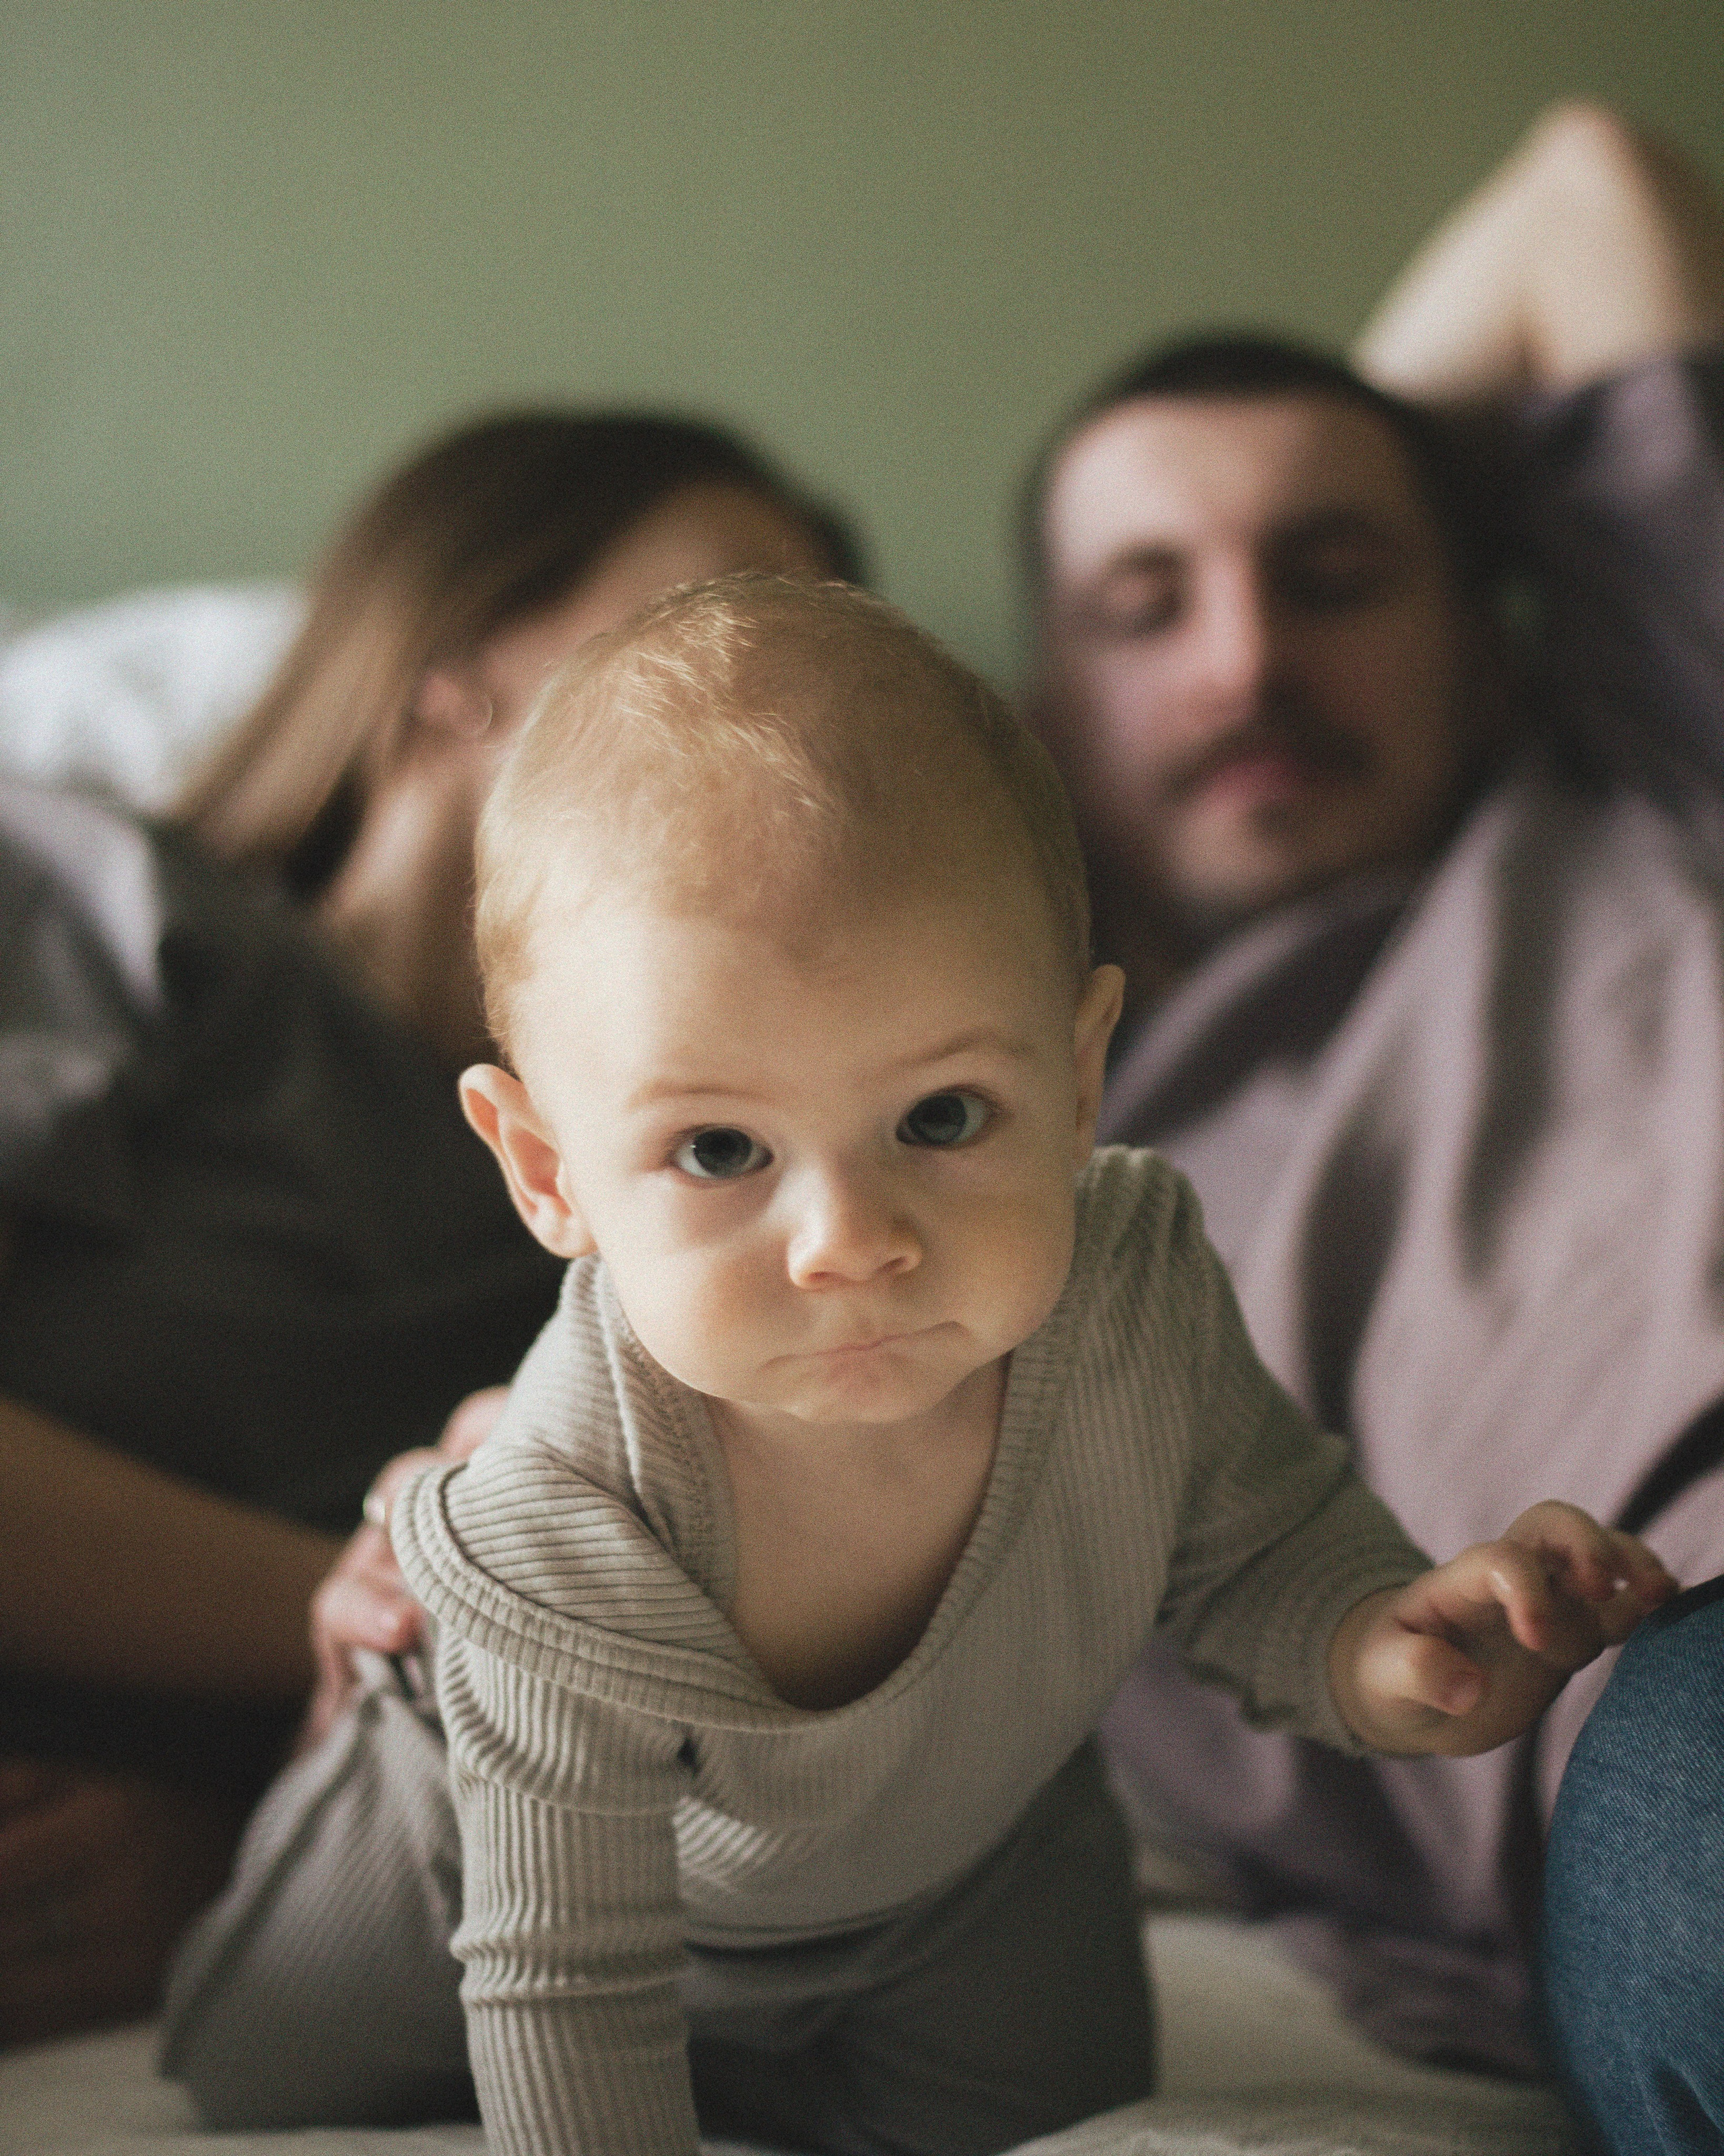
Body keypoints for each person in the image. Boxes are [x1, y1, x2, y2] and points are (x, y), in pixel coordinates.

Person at [168, 575, 1673, 2151]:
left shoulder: (1128, 1292)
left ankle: (782, 2068)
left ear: (1077, 1076)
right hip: (472, 1875)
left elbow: (1261, 1552)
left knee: (1063, 2099)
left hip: (956, 1885)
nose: (849, 1240)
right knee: (253, 2078)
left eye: (940, 1117)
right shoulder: (553, 1522)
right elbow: (567, 1974)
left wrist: (1392, 1650)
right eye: (720, 1147)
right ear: (547, 1171)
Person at [0, 412, 856, 2046]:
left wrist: (258, 1847)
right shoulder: (102, 903)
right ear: (457, 663)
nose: (799, 733)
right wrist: (398, 1606)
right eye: (730, 626)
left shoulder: (686, 1230)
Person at [1022, 102, 1724, 2075]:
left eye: (1334, 577)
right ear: (1044, 718)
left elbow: (1588, 189)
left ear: (1488, 646)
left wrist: (1356, 460)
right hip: (1669, 1688)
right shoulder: (979, 1144)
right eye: (1145, 608)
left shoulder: (1651, 775)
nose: (1247, 658)